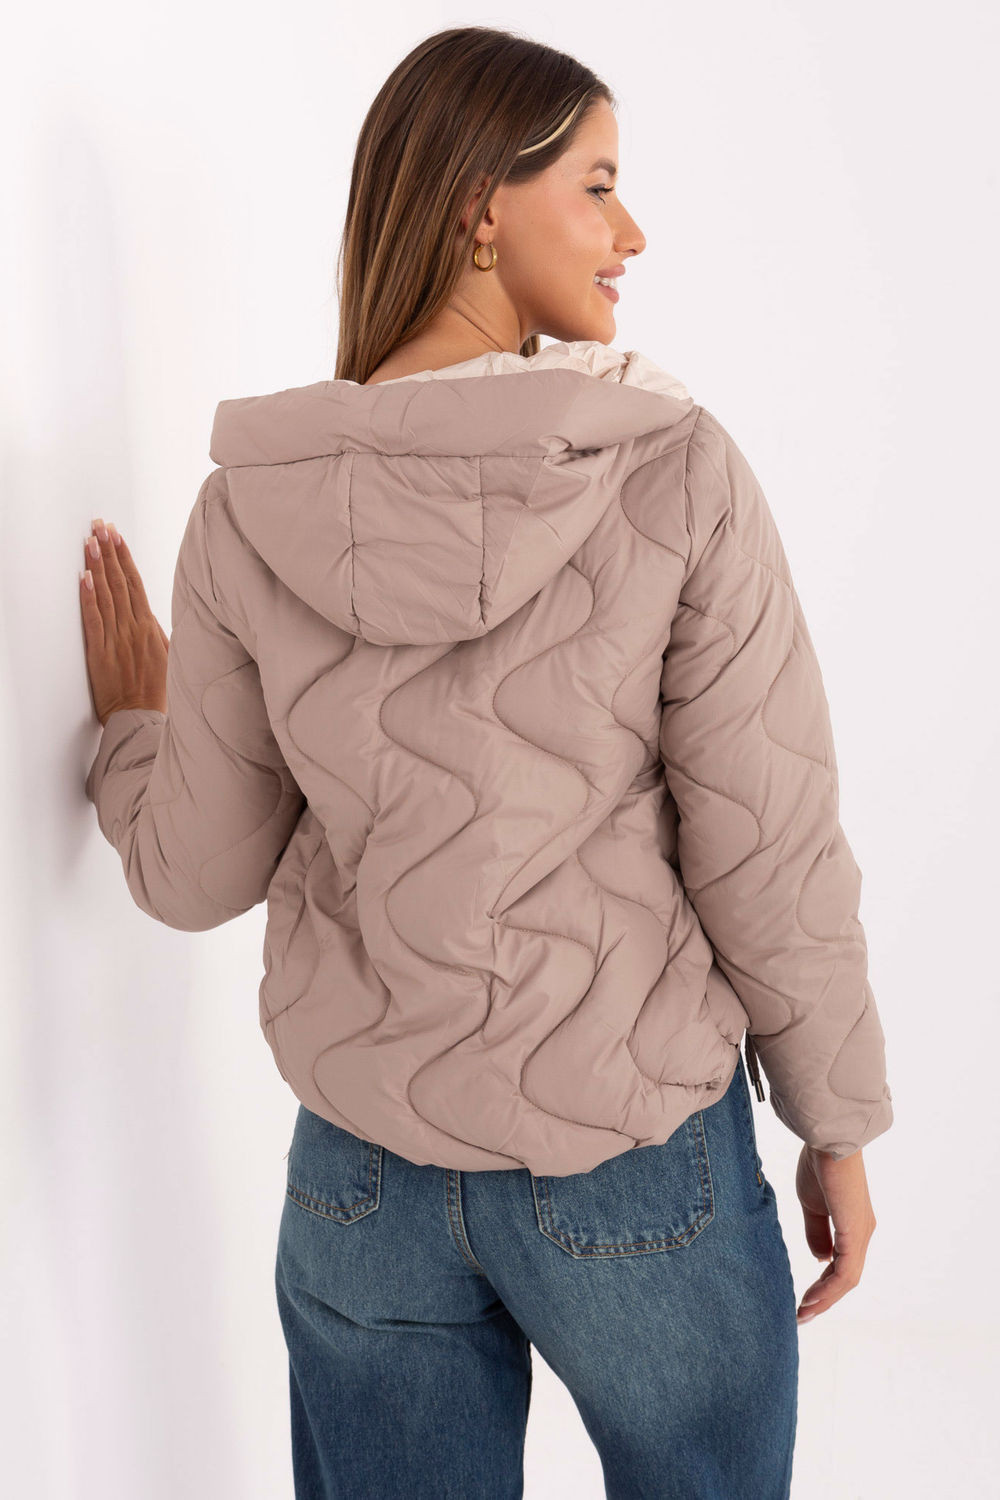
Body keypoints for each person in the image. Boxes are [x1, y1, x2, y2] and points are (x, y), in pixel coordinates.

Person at [80, 24, 893, 1500]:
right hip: (630, 1158)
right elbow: (766, 837)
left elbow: (195, 875)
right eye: (598, 186)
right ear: (478, 209)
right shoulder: (671, 467)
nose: (631, 235)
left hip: (365, 1178)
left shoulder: (247, 511)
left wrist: (135, 730)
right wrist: (833, 1119)